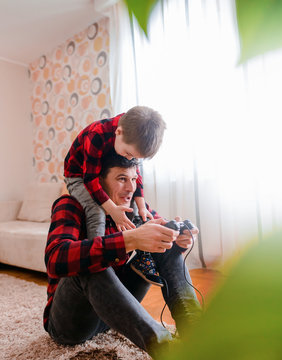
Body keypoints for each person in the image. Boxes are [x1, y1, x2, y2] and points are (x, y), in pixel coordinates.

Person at [45, 152, 202, 358]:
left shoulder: (136, 209)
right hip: (70, 326)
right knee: (90, 262)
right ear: (99, 183)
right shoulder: (71, 204)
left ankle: (198, 336)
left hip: (112, 315)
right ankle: (167, 349)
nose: (130, 188)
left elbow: (166, 246)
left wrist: (177, 241)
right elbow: (55, 260)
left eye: (134, 179)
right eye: (121, 179)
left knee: (163, 245)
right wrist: (131, 239)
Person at [63, 105, 166, 286]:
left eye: (133, 157)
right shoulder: (97, 134)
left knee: (135, 208)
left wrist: (141, 207)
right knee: (97, 211)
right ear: (118, 132)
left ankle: (143, 258)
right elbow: (90, 179)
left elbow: (136, 176)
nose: (128, 159)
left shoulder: (131, 137)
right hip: (78, 176)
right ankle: (98, 261)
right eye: (128, 154)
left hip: (96, 173)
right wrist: (112, 210)